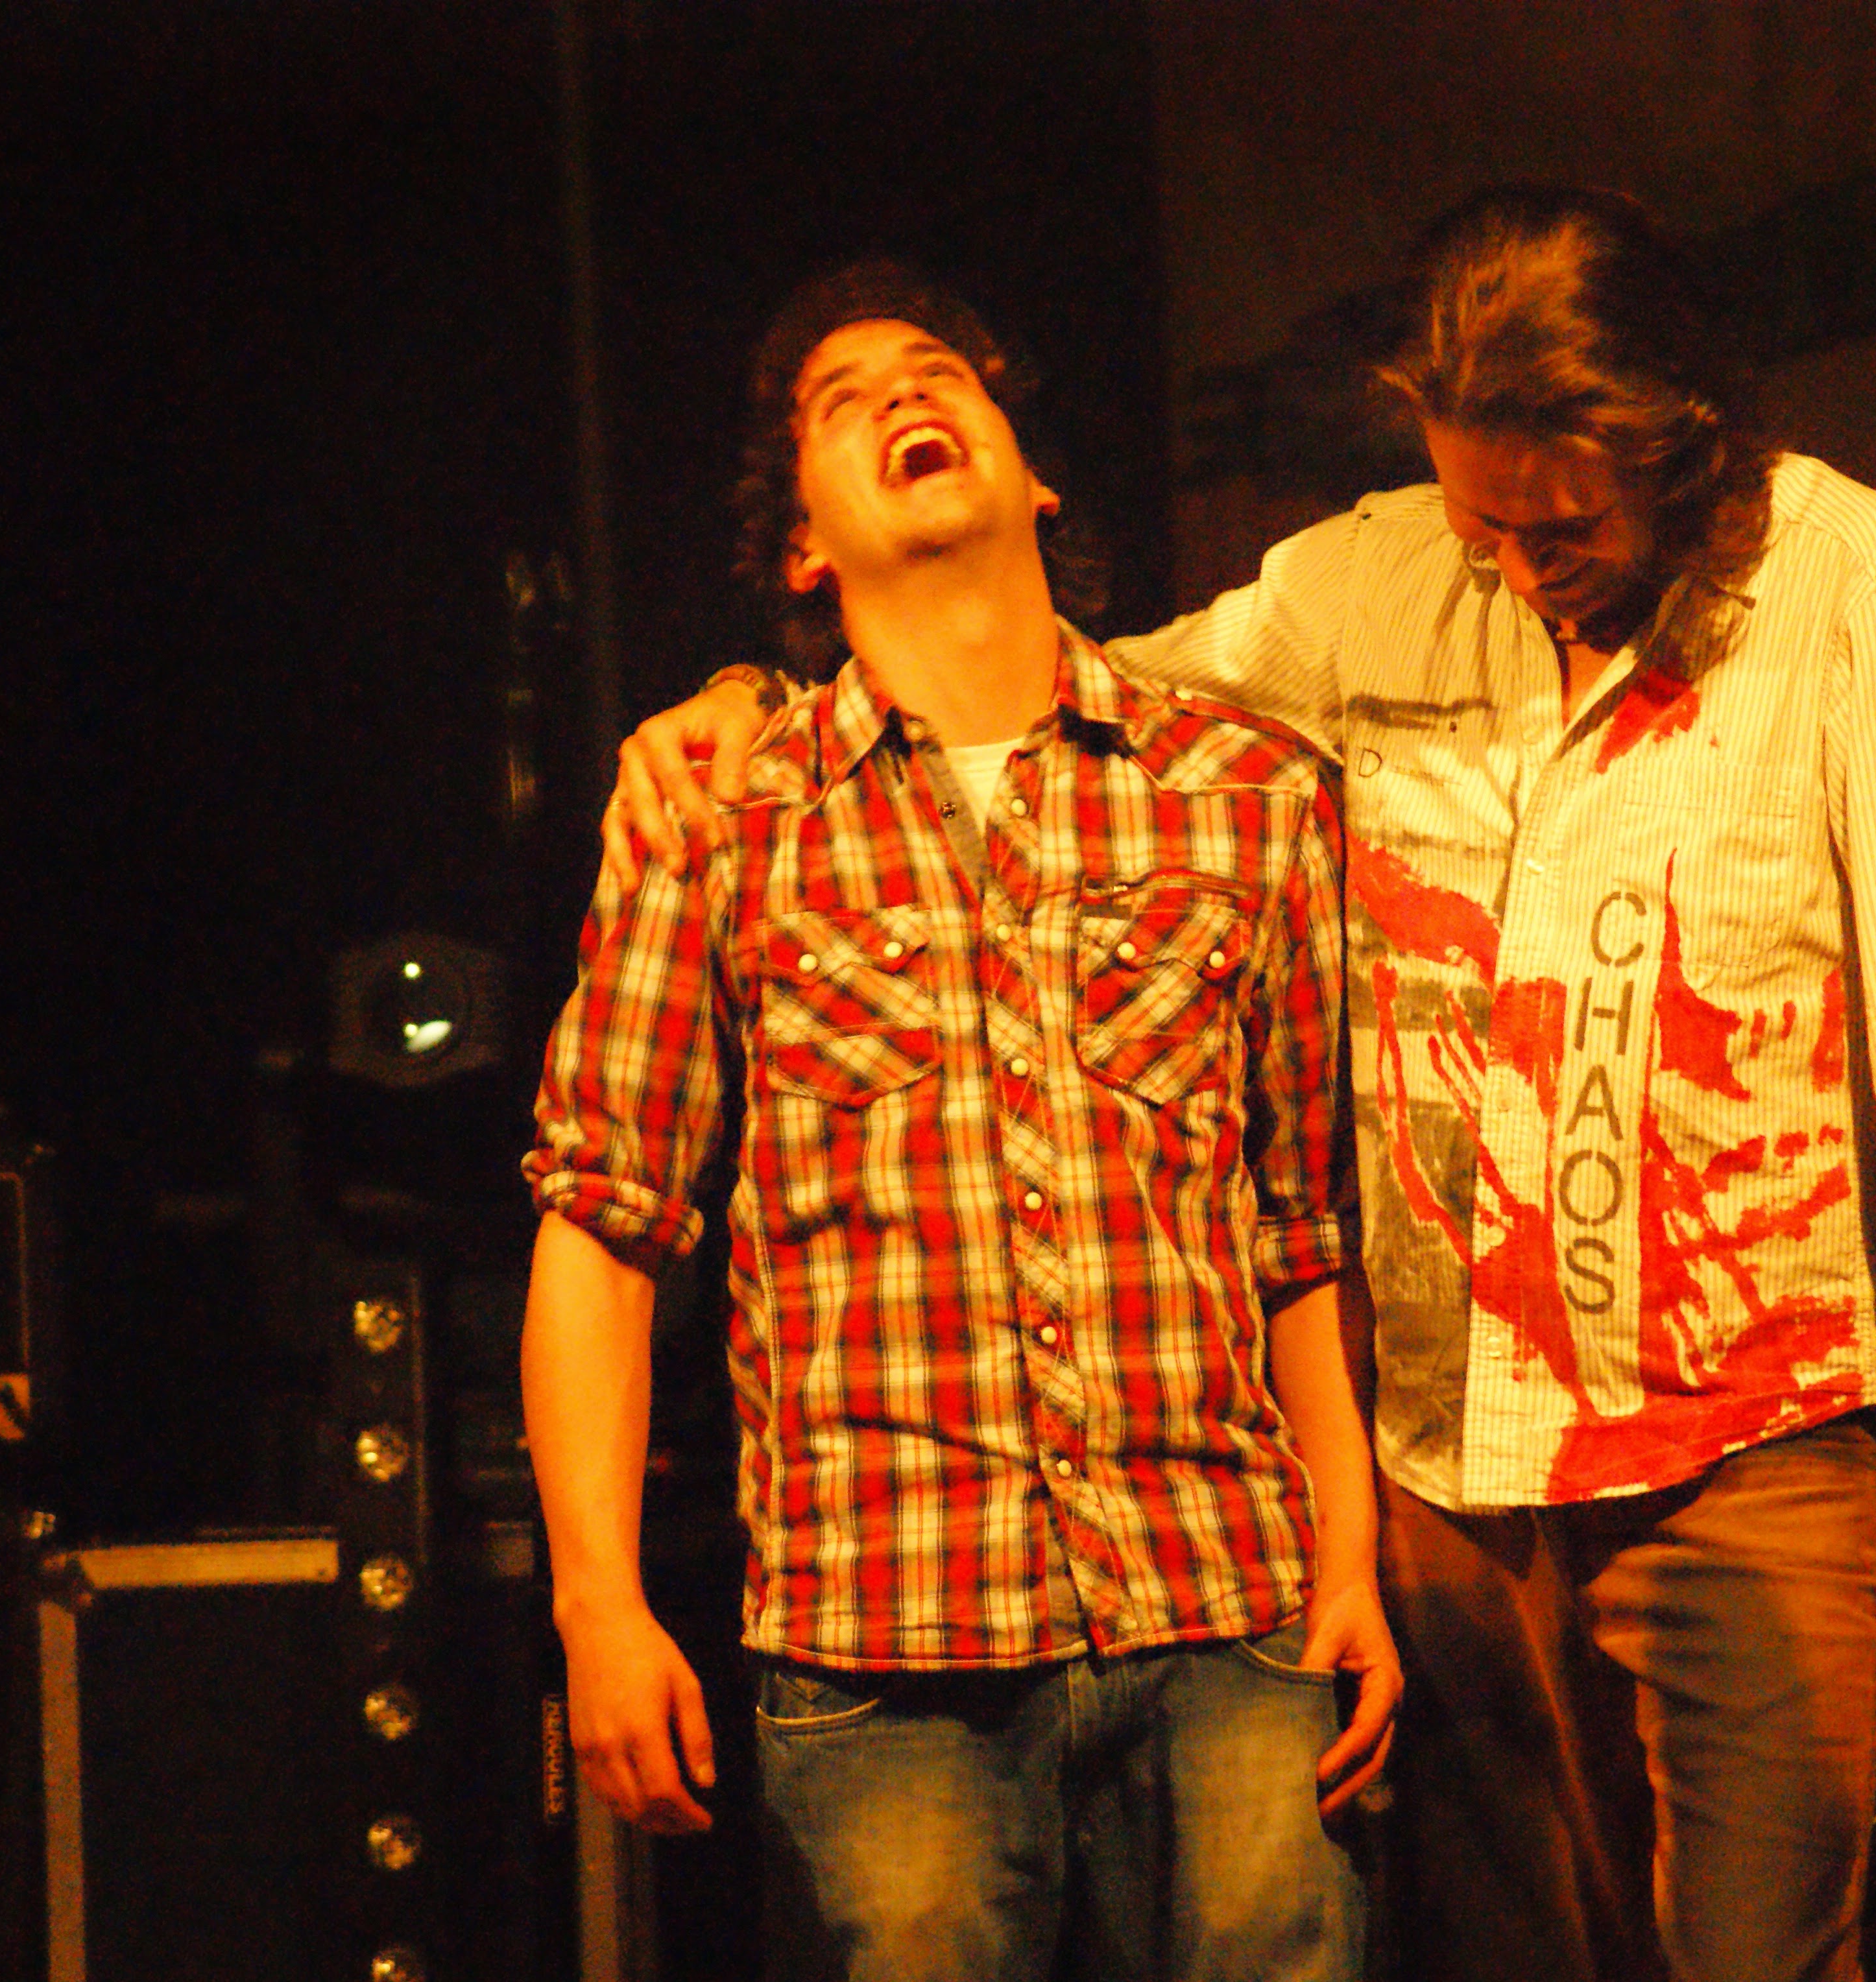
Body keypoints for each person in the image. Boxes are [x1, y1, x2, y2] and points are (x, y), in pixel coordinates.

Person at [604, 189, 1876, 1982]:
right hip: (1451, 1479)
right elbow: (1057, 701)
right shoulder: (1373, 579)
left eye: (1564, 524)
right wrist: (758, 700)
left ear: (1681, 444)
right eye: (1482, 522)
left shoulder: (1869, 589)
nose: (1519, 564)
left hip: (1743, 1449)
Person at [521, 260, 1397, 1982]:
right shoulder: (724, 820)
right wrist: (597, 1605)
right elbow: (605, 1233)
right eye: (843, 404)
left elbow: (1304, 1232)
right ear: (801, 546)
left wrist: (1352, 1565)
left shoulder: (1247, 797)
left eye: (939, 375)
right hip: (885, 1651)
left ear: (1034, 472)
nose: (905, 398)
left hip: (1228, 1613)